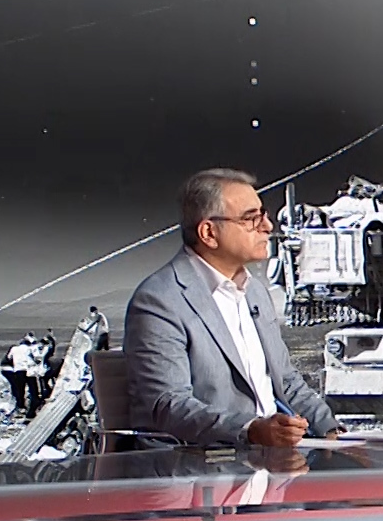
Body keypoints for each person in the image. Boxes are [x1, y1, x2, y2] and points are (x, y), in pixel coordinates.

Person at [124, 168, 340, 447]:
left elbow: (286, 382)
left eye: (263, 215)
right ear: (209, 232)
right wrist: (251, 430)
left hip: (270, 459)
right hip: (199, 464)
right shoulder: (159, 301)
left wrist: (332, 432)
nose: (268, 226)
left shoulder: (255, 292)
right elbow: (169, 405)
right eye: (251, 219)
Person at [2, 334, 36, 416]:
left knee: (20, 389)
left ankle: (20, 405)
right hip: (28, 370)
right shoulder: (29, 348)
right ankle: (33, 403)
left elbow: (9, 357)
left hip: (18, 370)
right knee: (32, 389)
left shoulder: (14, 348)